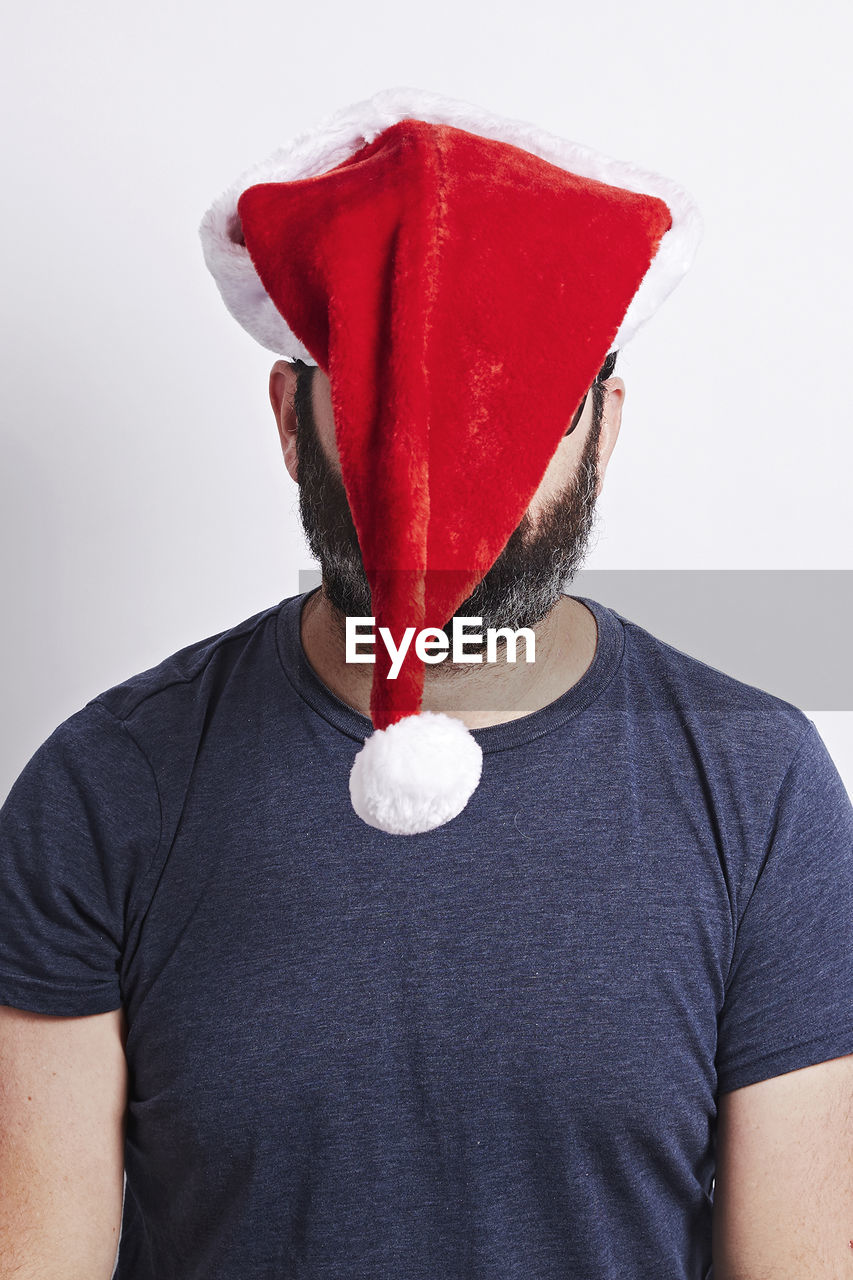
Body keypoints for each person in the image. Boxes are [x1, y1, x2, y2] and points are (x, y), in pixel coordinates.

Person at [1, 88, 852, 1280]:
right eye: (390, 413)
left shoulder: (759, 790)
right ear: (292, 422)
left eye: (517, 422)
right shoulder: (105, 787)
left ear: (603, 424)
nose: (446, 503)